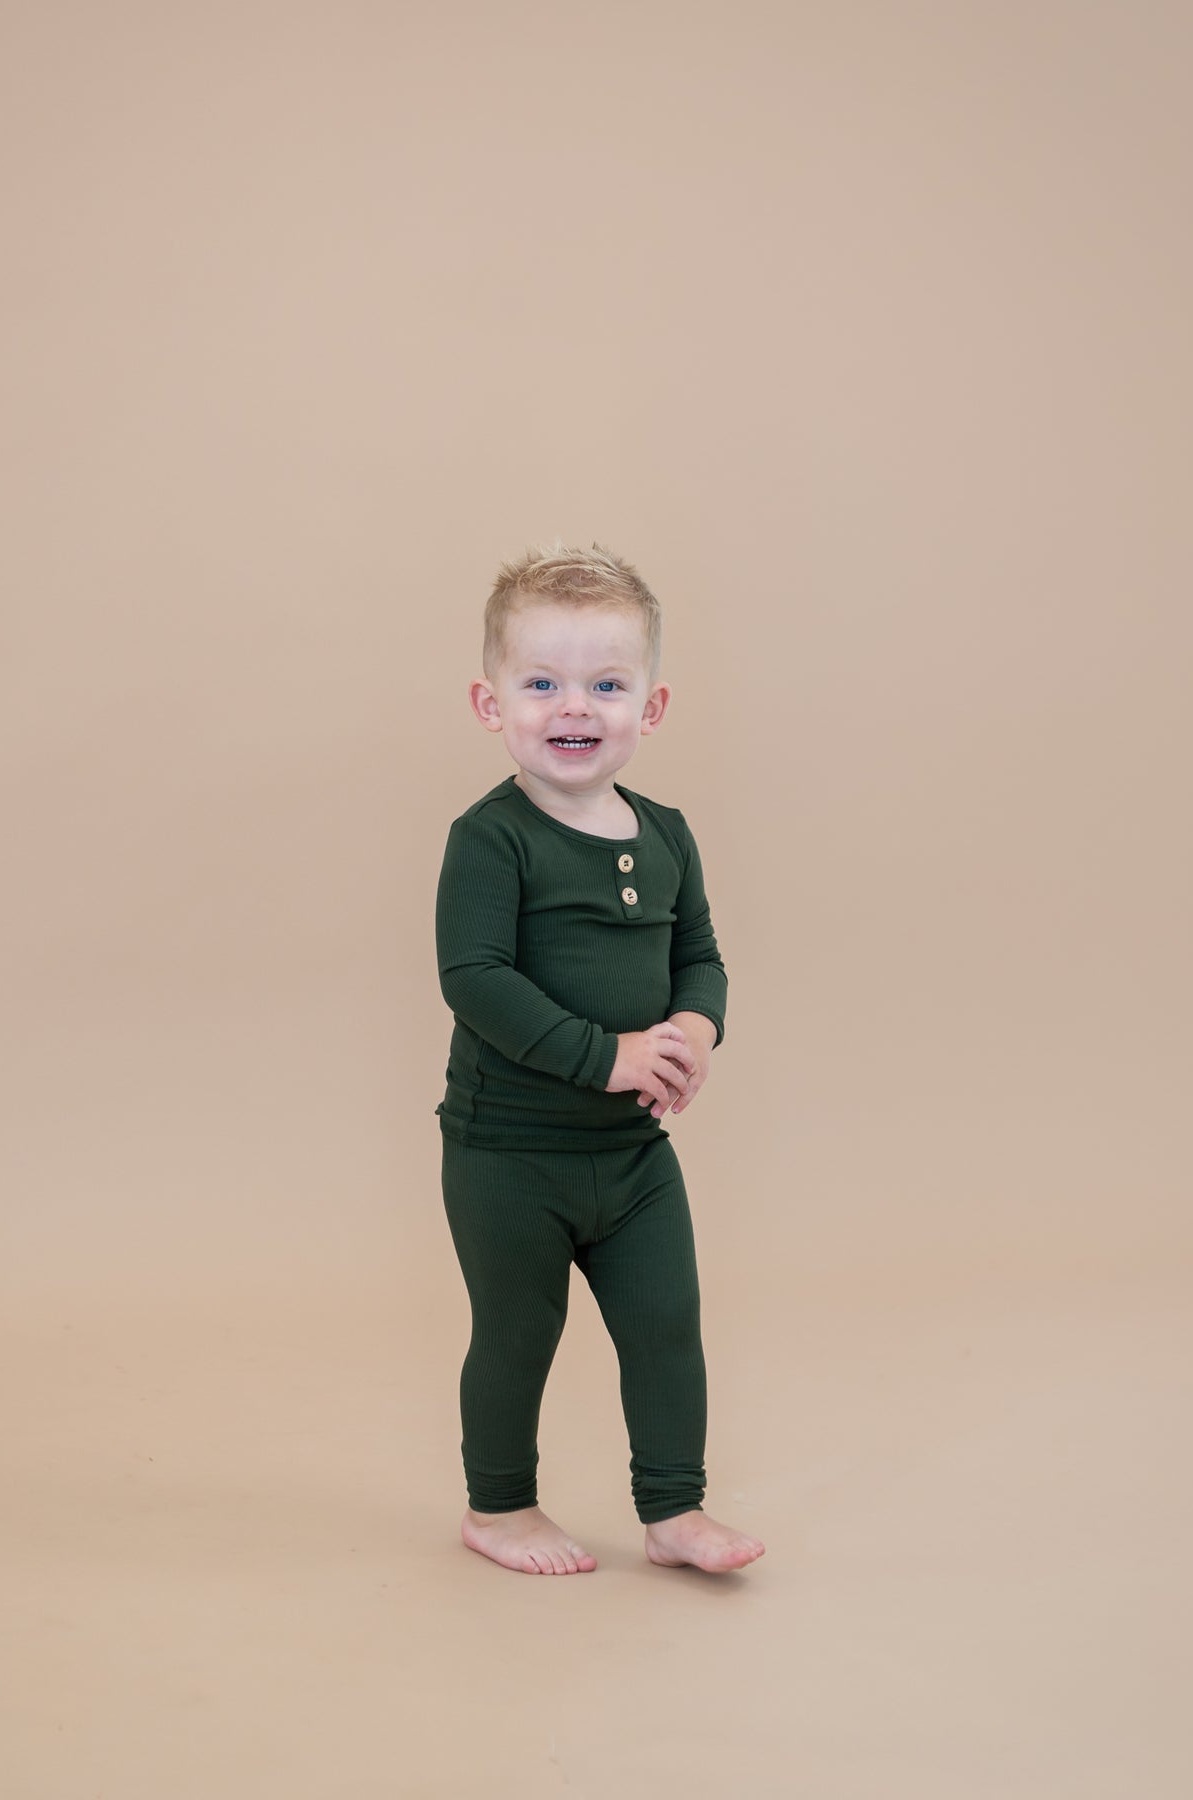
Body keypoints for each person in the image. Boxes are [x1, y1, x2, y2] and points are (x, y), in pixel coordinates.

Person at [433, 539, 767, 1576]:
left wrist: (695, 1029)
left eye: (605, 685)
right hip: (509, 1154)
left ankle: (673, 1509)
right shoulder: (492, 840)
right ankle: (498, 1507)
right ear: (492, 706)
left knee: (667, 1322)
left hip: (629, 1156)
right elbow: (476, 979)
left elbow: (700, 955)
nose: (573, 708)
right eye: (541, 683)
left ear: (650, 707)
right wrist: (607, 1055)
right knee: (517, 1332)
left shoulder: (664, 832)